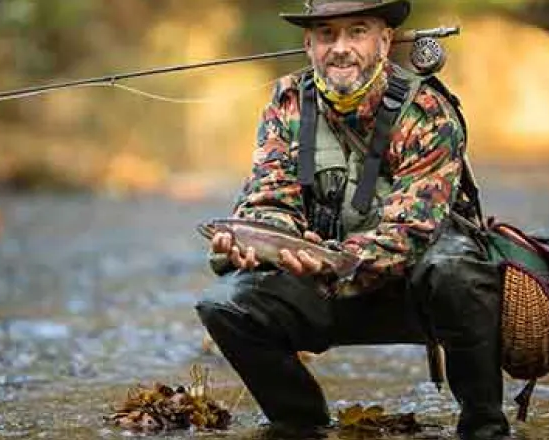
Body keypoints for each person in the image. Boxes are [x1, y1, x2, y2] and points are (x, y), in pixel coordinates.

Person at [195, 1, 511, 439]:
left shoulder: (427, 111)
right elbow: (270, 199)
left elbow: (412, 230)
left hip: (415, 295)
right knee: (225, 303)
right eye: (326, 34)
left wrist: (329, 262)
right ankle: (301, 425)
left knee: (457, 269)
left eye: (356, 31)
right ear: (308, 45)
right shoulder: (287, 105)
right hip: (321, 288)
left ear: (384, 40)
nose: (340, 48)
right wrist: (261, 242)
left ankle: (483, 426)